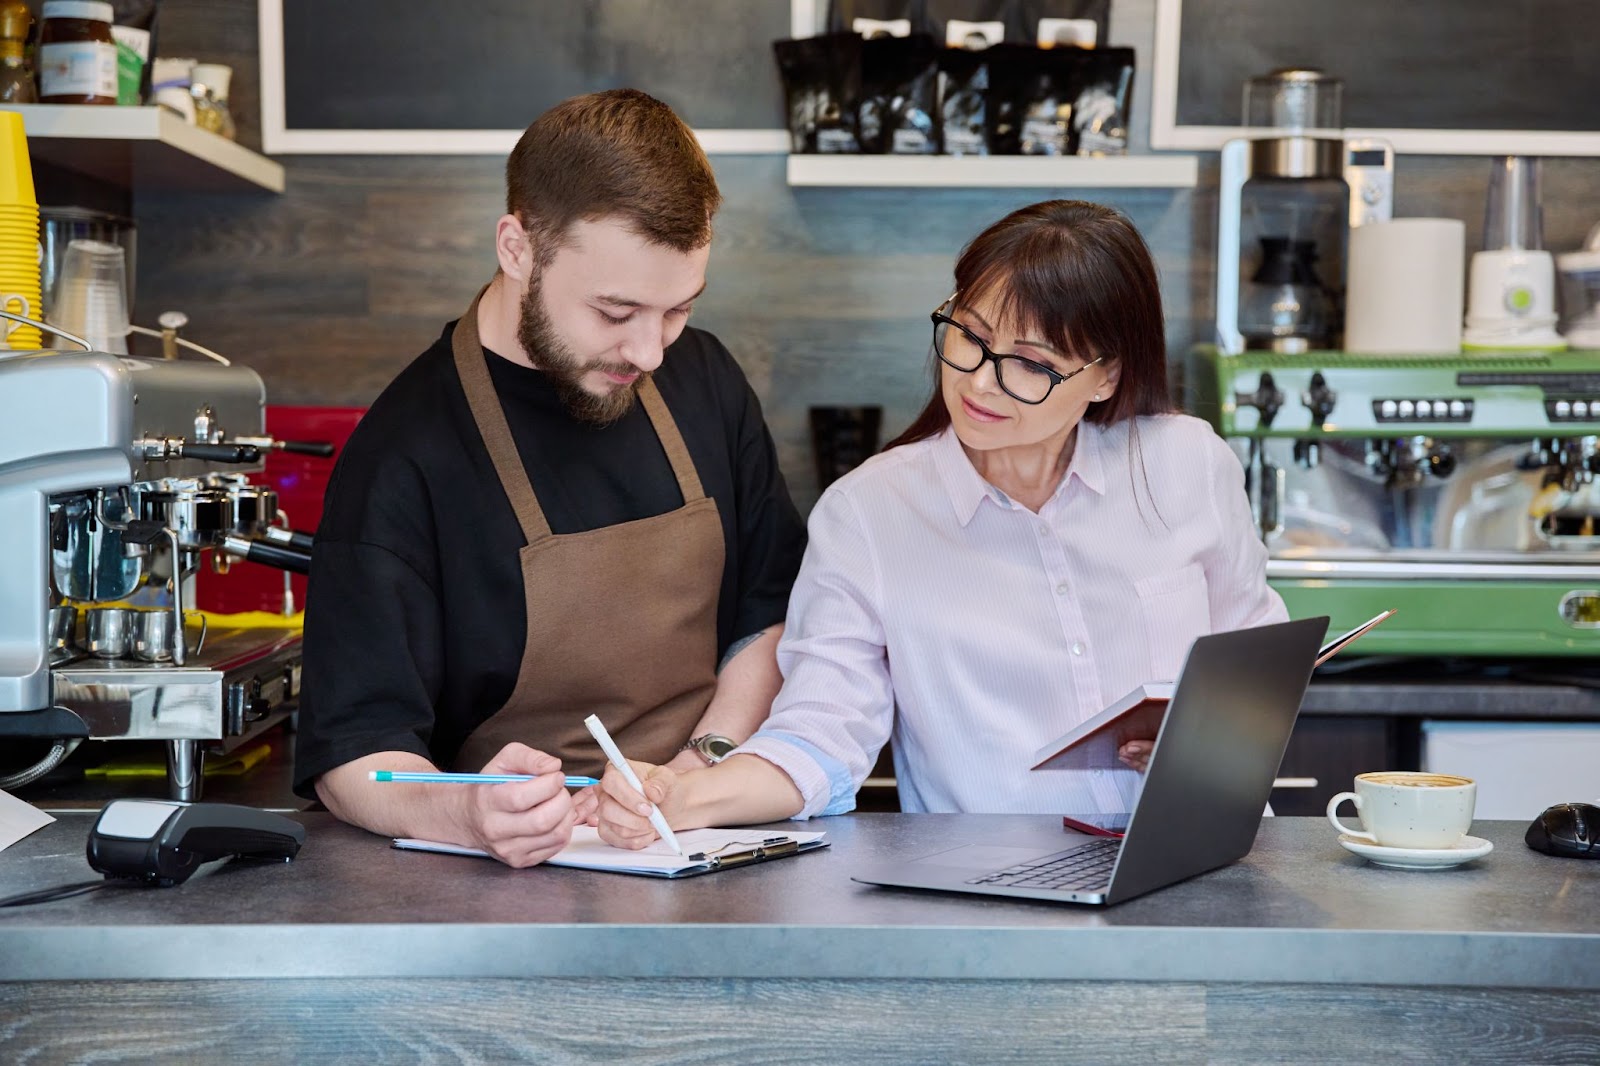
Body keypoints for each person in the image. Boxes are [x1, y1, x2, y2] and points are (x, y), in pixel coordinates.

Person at [595, 199, 1287, 848]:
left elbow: (1259, 666)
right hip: (996, 889)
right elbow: (821, 734)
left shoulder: (1187, 463)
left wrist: (1209, 732)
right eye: (972, 337)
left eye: (1032, 365)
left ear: (1106, 377)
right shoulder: (870, 514)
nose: (980, 382)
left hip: (1206, 856)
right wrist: (683, 798)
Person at [294, 90, 807, 867]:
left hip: (711, 838)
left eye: (677, 311)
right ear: (517, 247)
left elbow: (769, 615)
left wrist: (700, 767)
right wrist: (470, 818)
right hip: (520, 879)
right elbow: (353, 757)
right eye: (614, 311)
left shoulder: (704, 378)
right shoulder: (404, 455)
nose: (650, 353)